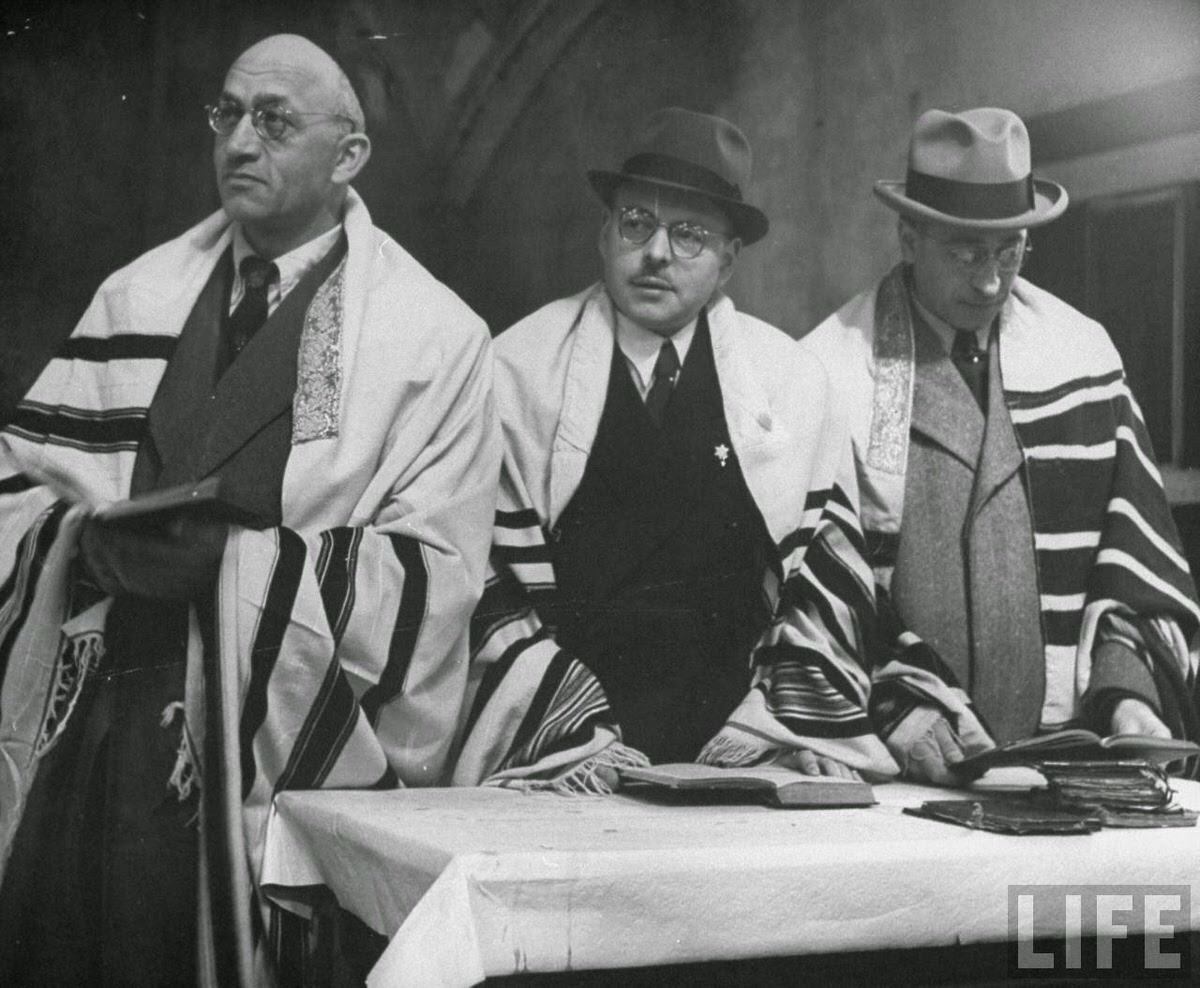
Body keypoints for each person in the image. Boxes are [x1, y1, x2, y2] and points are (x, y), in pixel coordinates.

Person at [0, 34, 497, 985]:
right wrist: (78, 545)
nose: (237, 142)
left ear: (349, 155)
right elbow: (20, 487)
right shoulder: (136, 296)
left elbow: (435, 578)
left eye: (273, 121)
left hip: (256, 756)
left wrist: (234, 570)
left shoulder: (433, 338)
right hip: (93, 743)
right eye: (227, 114)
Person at [451, 107, 897, 790]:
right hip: (566, 753)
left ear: (728, 260)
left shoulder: (793, 382)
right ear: (605, 234)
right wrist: (570, 737)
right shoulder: (517, 369)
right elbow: (481, 583)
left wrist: (774, 728)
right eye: (637, 223)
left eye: (690, 235)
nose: (657, 253)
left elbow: (821, 585)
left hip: (744, 749)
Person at [805, 107, 1200, 784]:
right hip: (904, 754)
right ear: (908, 237)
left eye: (1010, 251)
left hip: (1065, 754)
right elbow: (812, 594)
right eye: (964, 252)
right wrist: (895, 703)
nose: (990, 280)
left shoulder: (1081, 357)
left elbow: (1133, 559)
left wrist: (1129, 693)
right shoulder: (833, 368)